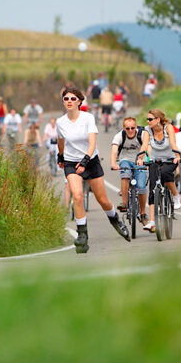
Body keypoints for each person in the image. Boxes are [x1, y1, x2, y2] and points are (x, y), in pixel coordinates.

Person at [56, 87, 130, 253]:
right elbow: (61, 141)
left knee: (102, 199)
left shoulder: (87, 118)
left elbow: (92, 144)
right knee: (78, 195)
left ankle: (115, 220)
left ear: (79, 102)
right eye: (66, 98)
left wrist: (85, 161)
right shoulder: (60, 122)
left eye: (73, 99)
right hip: (71, 162)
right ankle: (82, 234)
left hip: (90, 161)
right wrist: (60, 157)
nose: (69, 101)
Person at [136, 109, 181, 233]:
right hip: (155, 160)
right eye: (147, 119)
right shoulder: (147, 130)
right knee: (152, 188)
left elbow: (173, 143)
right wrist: (140, 158)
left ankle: (176, 196)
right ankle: (152, 221)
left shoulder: (168, 128)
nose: (148, 121)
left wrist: (177, 156)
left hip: (169, 159)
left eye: (150, 119)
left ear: (158, 120)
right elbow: (144, 145)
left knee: (166, 174)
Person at [110, 117, 148, 224]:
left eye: (132, 128)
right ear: (124, 128)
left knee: (141, 186)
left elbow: (145, 146)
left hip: (140, 160)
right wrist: (114, 163)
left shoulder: (142, 134)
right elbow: (114, 150)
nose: (130, 130)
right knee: (125, 175)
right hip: (125, 160)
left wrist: (141, 159)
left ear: (136, 127)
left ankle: (143, 214)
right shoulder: (119, 136)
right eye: (127, 128)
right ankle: (124, 203)